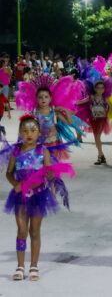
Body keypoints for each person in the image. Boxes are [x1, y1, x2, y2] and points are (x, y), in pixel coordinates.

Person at [4, 114, 73, 281]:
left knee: (34, 231)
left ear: (39, 132)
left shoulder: (43, 151)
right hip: (20, 196)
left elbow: (49, 173)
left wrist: (51, 181)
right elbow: (8, 172)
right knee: (21, 231)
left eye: (33, 130)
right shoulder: (16, 151)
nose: (29, 133)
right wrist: (15, 184)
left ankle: (34, 266)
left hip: (38, 195)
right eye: (25, 130)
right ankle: (20, 266)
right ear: (20, 132)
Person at [76, 80, 112, 165]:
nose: (100, 90)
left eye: (102, 88)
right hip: (93, 120)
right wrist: (71, 103)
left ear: (104, 89)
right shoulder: (91, 97)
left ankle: (101, 156)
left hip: (102, 120)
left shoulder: (105, 98)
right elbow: (80, 102)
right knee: (96, 139)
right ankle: (101, 156)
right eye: (98, 88)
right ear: (95, 89)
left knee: (97, 138)